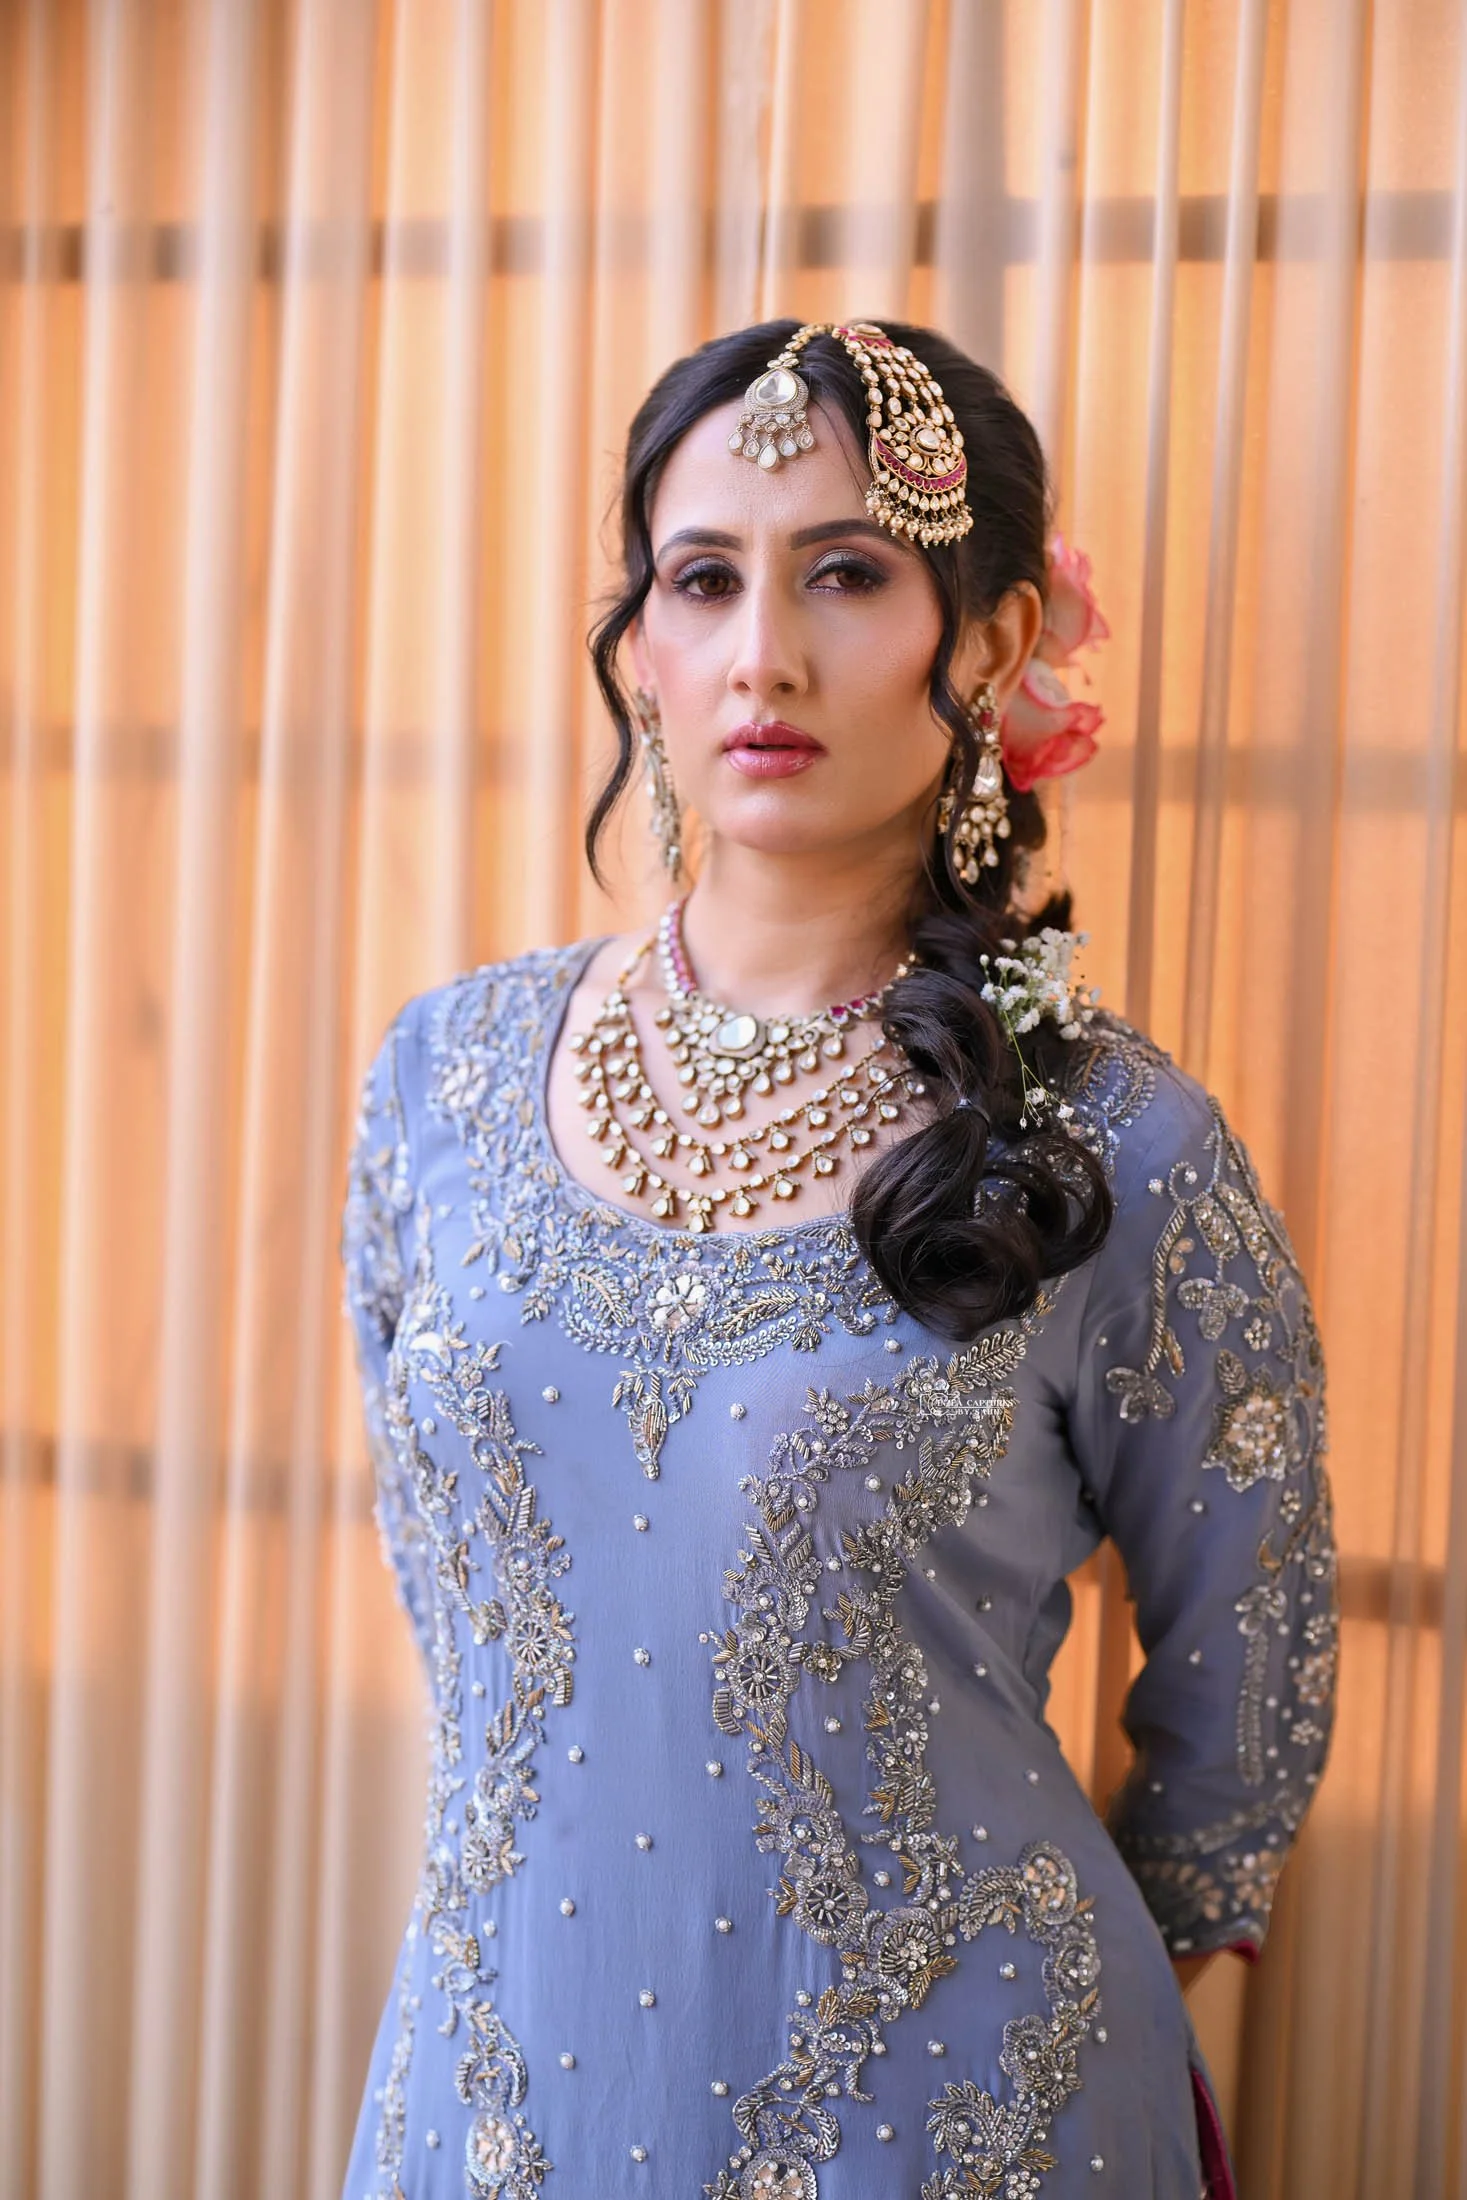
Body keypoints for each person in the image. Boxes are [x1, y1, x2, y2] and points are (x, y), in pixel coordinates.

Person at [339, 319, 1338, 2200]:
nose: (759, 656)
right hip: (501, 2079)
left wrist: (1080, 2041)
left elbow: (1242, 1692)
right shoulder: (444, 1084)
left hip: (961, 2115)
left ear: (992, 643)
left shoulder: (1104, 1143)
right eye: (701, 579)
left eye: (848, 575)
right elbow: (467, 1612)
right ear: (637, 643)